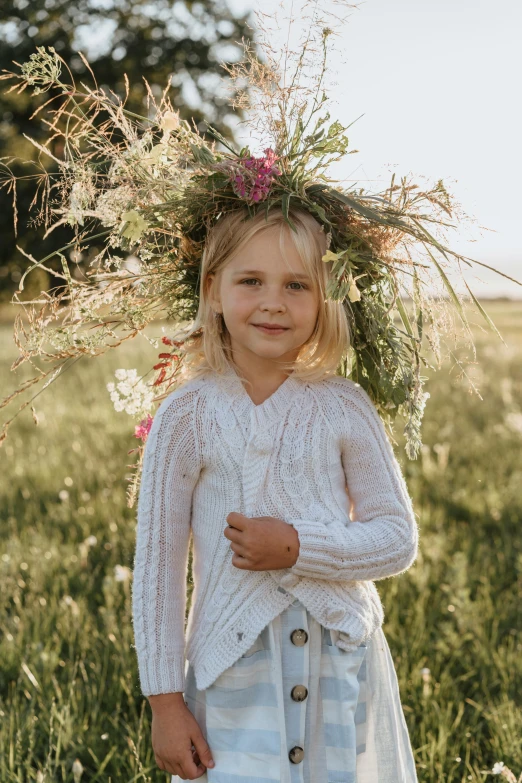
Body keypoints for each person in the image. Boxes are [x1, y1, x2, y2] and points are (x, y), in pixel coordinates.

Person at [131, 205, 420, 782]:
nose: (273, 301)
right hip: (233, 669)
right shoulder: (187, 415)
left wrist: (297, 548)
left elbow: (396, 539)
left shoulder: (343, 405)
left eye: (296, 285)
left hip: (337, 660)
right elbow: (157, 567)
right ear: (213, 290)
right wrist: (164, 701)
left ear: (327, 297)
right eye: (250, 281)